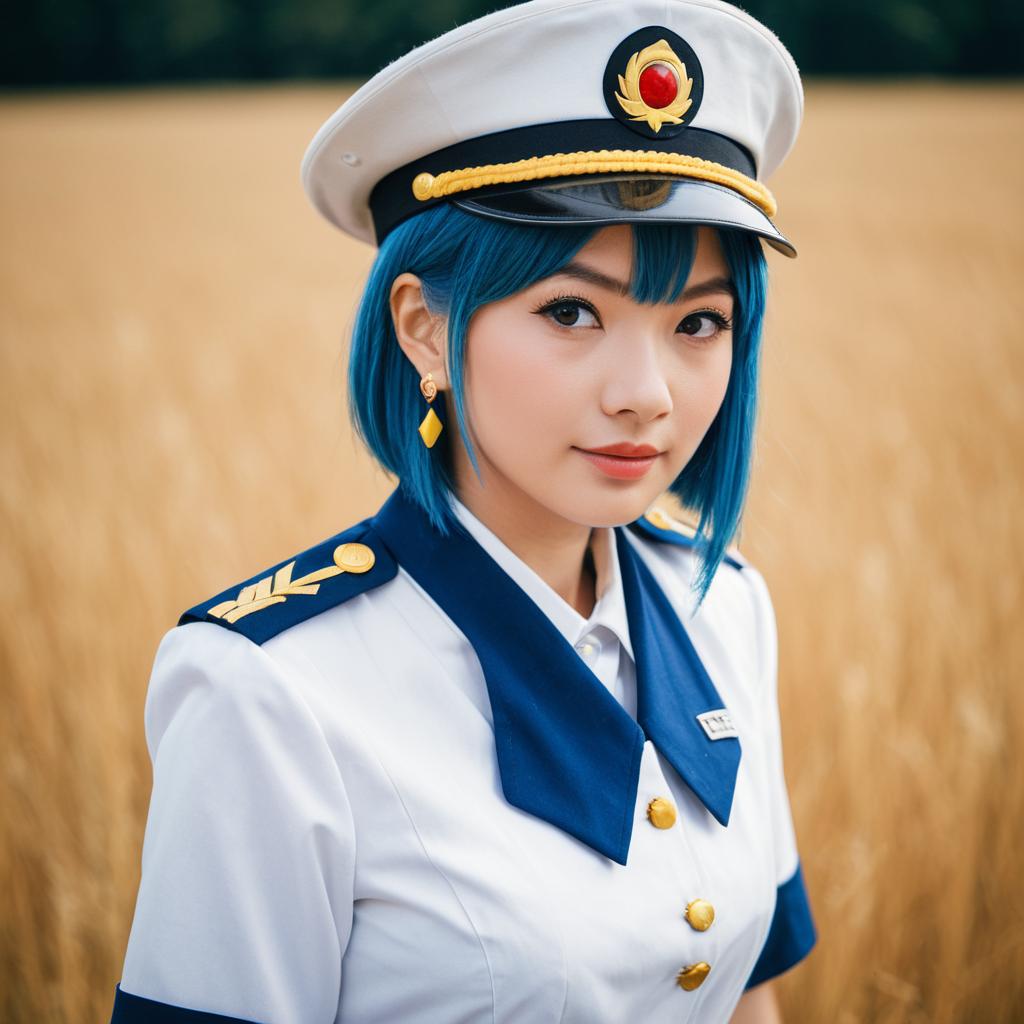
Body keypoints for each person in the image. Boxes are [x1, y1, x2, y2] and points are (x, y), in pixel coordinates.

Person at [109, 0, 816, 1020]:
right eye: (572, 310)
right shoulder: (270, 695)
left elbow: (745, 997)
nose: (647, 393)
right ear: (425, 330)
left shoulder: (727, 610)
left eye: (698, 321)